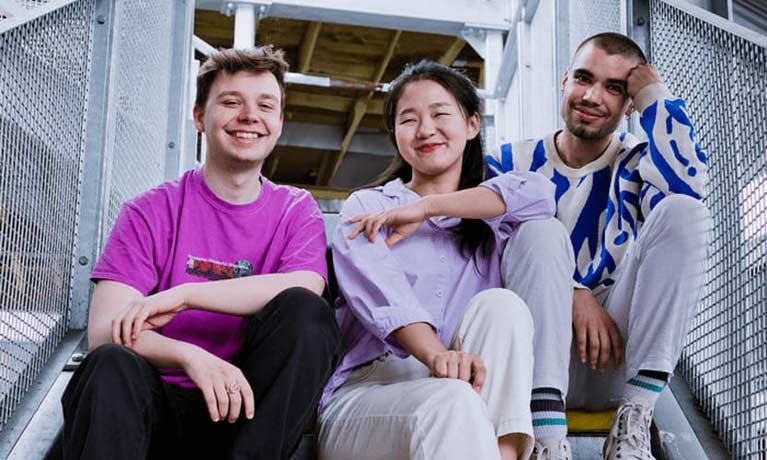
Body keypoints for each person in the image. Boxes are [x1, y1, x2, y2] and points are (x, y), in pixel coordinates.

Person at [57, 46, 343, 460]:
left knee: (307, 312)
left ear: (278, 123)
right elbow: (104, 331)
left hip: (246, 415)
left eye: (265, 105)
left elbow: (306, 283)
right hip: (153, 407)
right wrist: (190, 357)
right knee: (109, 365)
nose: (249, 116)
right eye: (231, 102)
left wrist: (185, 295)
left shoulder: (295, 210)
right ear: (198, 117)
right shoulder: (151, 210)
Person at [317, 60, 566, 460]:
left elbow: (540, 195)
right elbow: (387, 297)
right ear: (395, 135)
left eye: (439, 114)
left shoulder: (490, 218)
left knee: (502, 306)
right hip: (369, 397)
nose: (425, 129)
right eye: (409, 119)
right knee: (451, 400)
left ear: (471, 125)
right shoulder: (369, 206)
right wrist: (437, 357)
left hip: (469, 397)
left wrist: (428, 207)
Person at [487, 32, 710, 460]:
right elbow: (480, 251)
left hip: (614, 358)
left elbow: (690, 189)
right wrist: (573, 290)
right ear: (566, 80)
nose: (592, 96)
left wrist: (654, 96)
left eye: (614, 87)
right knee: (539, 231)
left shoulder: (637, 165)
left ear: (629, 105)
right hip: (527, 362)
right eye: (584, 79)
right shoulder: (509, 161)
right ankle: (547, 441)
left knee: (685, 212)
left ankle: (636, 418)